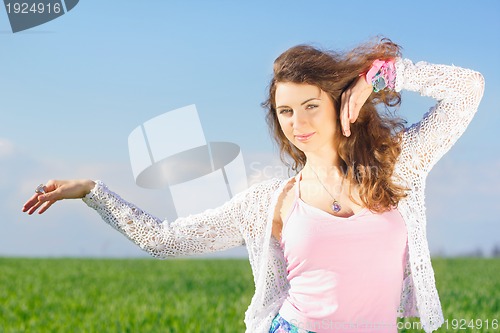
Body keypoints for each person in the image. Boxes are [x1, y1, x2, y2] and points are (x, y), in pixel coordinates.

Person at [22, 38, 484, 333]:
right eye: (286, 111)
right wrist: (93, 192)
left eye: (309, 106)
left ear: (340, 102)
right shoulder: (271, 202)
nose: (297, 123)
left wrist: (381, 77)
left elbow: (470, 88)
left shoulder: (398, 165)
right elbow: (166, 240)